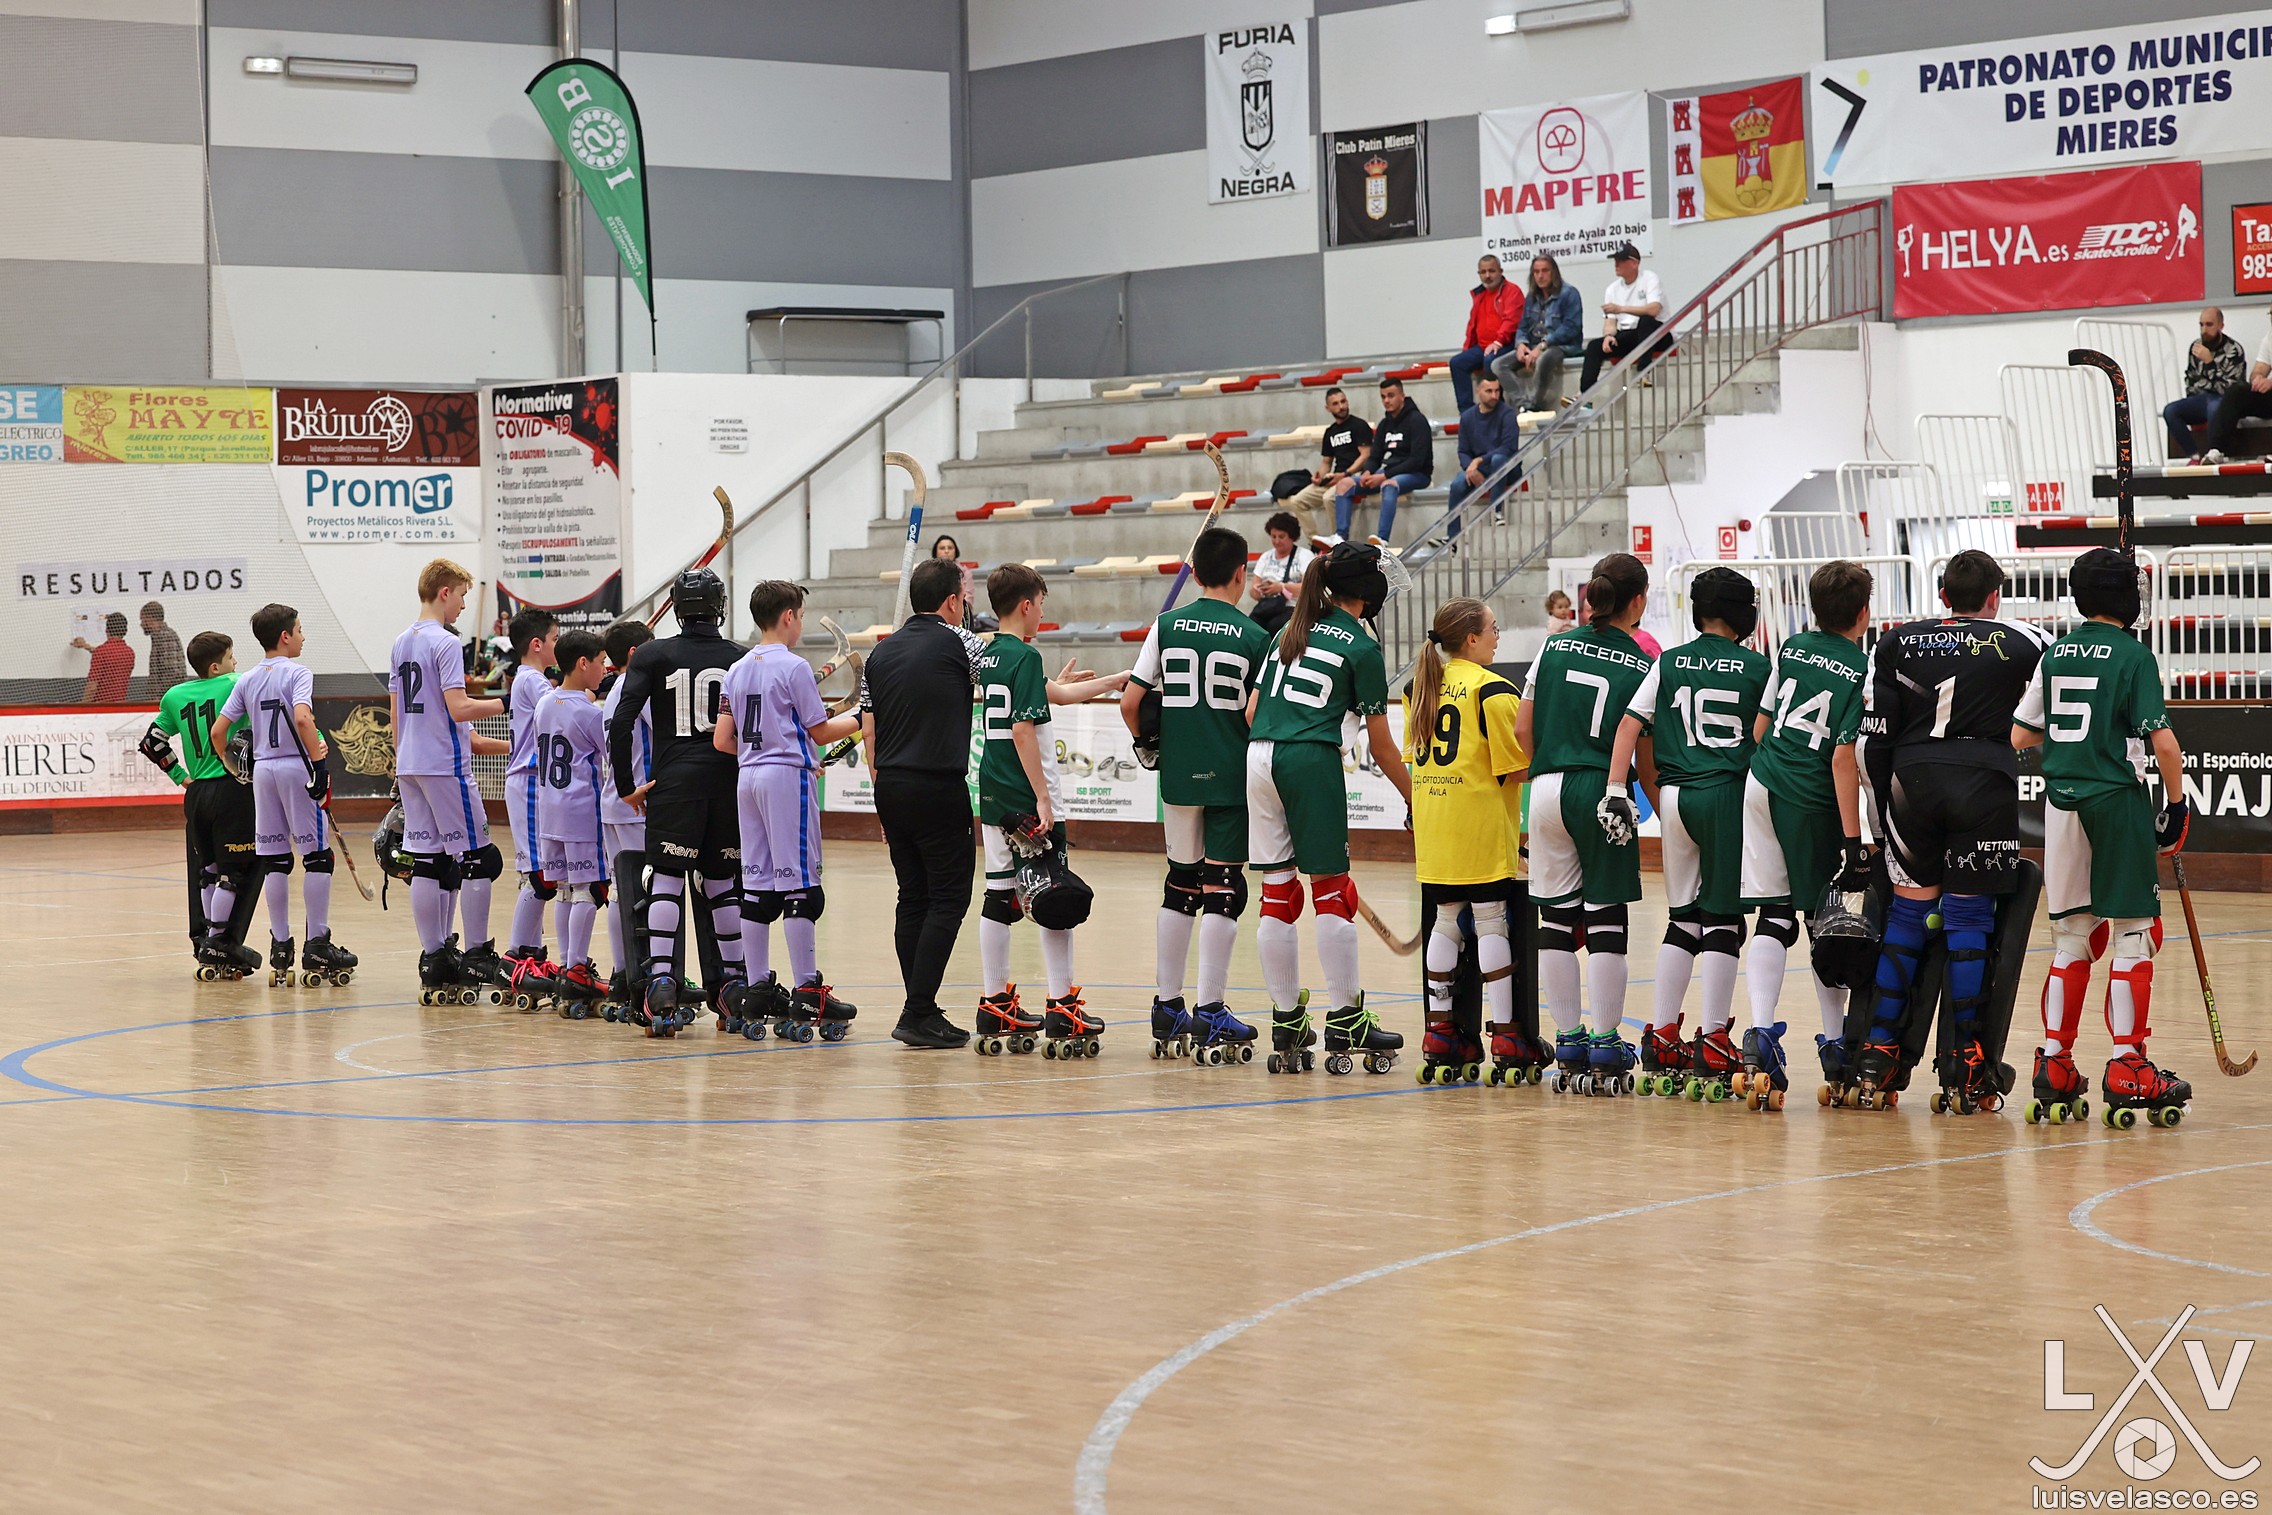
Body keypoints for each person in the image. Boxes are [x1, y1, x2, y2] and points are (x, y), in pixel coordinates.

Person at [1850, 549, 2050, 1108]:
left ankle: (1879, 1051)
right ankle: (1966, 1058)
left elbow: (1870, 743)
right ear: (1995, 597)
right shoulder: (2028, 640)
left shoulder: (1893, 642)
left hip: (1911, 783)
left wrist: (1881, 819)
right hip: (1984, 783)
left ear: (1943, 595)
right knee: (1969, 918)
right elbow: (2057, 710)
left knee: (1908, 915)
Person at [2011, 548, 2194, 1126]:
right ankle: (2127, 1064)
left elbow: (2020, 735)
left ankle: (2054, 1063)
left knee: (2073, 937)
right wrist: (2176, 806)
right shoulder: (2134, 656)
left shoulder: (2056, 653)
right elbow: (2165, 744)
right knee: (2135, 934)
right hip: (2115, 801)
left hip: (2060, 804)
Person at [1606, 568, 1770, 1102]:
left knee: (1682, 919)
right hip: (1725, 794)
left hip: (1674, 797)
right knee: (1723, 921)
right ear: (1743, 613)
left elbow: (1629, 725)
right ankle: (1716, 1037)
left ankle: (1660, 1034)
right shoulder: (1758, 667)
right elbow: (1764, 737)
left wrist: (1616, 788)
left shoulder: (1668, 660)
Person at [1248, 542, 1411, 1075]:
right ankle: (1345, 1019)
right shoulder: (1362, 648)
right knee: (1332, 892)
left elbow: (1252, 711)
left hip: (1259, 755)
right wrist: (1416, 799)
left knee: (1277, 892)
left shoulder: (1288, 630)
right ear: (1368, 590)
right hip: (1308, 758)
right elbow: (1382, 747)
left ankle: (1287, 1021)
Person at [1122, 527, 1269, 1061]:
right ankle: (1211, 1010)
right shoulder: (1257, 637)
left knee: (1180, 885)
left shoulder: (1165, 626)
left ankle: (1167, 1007)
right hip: (1230, 776)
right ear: (1240, 573)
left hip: (1180, 776)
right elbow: (1255, 713)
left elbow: (1130, 702)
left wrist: (1150, 746)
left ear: (1196, 573)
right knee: (1223, 888)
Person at [1514, 552, 1655, 1093]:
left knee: (1554, 921)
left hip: (1546, 786)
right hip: (1600, 789)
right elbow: (1645, 759)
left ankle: (1568, 1040)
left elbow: (1522, 727)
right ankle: (1605, 1041)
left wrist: (1546, 774)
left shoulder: (1552, 646)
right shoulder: (1642, 664)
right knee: (1606, 919)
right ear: (1637, 602)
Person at [974, 564, 1128, 1055]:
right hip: (1027, 797)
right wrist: (1042, 796)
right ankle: (1063, 1006)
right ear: (1026, 605)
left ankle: (994, 1002)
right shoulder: (1024, 656)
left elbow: (1055, 695)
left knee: (1000, 896)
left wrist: (1117, 679)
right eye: (1041, 604)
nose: (1043, 613)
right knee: (1054, 892)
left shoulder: (990, 654)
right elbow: (1023, 730)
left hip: (993, 795)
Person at [1737, 560, 1872, 1092]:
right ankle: (1836, 1047)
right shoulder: (1861, 669)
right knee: (1826, 923)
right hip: (1809, 798)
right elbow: (1842, 757)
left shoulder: (1791, 647)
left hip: (1761, 781)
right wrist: (1853, 841)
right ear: (1863, 613)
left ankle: (1759, 1035)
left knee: (1772, 916)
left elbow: (1760, 727)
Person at [714, 580, 862, 1039]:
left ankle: (757, 988)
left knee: (757, 885)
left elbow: (722, 740)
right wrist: (863, 718)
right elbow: (821, 732)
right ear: (789, 616)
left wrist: (769, 753)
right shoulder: (794, 666)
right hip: (784, 779)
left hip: (747, 778)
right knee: (801, 885)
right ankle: (807, 990)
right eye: (800, 615)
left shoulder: (736, 669)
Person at [608, 568, 751, 1037]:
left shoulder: (653, 654)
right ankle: (734, 985)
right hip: (727, 782)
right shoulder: (740, 656)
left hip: (674, 784)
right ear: (718, 607)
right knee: (722, 883)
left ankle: (661, 982)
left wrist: (627, 786)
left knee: (666, 879)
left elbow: (623, 722)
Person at [1406, 597, 1537, 1084]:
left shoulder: (1420, 686)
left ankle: (1440, 1031)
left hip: (1435, 825)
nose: (1498, 638)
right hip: (1478, 825)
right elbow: (1516, 767)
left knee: (1446, 922)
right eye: (1494, 629)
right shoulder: (1493, 690)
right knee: (1491, 921)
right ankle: (1506, 1033)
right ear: (1472, 638)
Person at [860, 556, 986, 1048]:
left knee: (912, 896)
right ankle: (917, 1011)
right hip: (937, 785)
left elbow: (869, 731)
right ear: (952, 601)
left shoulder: (880, 653)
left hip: (890, 785)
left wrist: (881, 791)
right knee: (949, 899)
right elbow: (1004, 674)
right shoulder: (962, 642)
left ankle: (922, 1008)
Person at [212, 603, 354, 987]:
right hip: (295, 768)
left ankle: (280, 945)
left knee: (275, 859)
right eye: (300, 630)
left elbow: (218, 732)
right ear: (285, 636)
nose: (303, 637)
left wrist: (234, 769)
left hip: (263, 771)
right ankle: (317, 944)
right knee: (317, 857)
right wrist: (319, 767)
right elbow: (304, 718)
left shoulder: (246, 679)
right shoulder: (298, 673)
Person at [389, 559, 509, 1002]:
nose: (462, 605)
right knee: (480, 857)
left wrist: (401, 765)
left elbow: (396, 710)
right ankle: (477, 954)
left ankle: (434, 957)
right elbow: (459, 708)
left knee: (426, 860)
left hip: (411, 762)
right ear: (444, 592)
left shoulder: (401, 641)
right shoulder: (444, 642)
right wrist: (507, 701)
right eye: (461, 595)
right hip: (444, 763)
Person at [138, 629, 260, 976]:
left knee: (207, 872)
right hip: (231, 789)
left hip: (196, 795)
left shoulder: (175, 696)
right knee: (233, 873)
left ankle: (207, 938)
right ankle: (218, 943)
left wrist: (181, 777)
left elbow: (152, 743)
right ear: (215, 666)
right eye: (231, 656)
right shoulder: (236, 683)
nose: (236, 662)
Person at [533, 630, 612, 1009]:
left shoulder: (544, 703)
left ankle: (567, 966)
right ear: (583, 663)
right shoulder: (590, 713)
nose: (604, 669)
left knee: (563, 888)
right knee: (589, 889)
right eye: (600, 662)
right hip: (580, 810)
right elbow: (611, 752)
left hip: (548, 810)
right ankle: (577, 968)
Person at [500, 608, 562, 1000]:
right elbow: (561, 710)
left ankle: (532, 954)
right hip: (527, 781)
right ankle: (515, 958)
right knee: (539, 875)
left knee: (542, 874)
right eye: (555, 639)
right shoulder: (531, 680)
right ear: (536, 644)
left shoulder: (531, 680)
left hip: (535, 783)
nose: (558, 645)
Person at [598, 619, 654, 1008]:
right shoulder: (638, 689)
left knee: (620, 892)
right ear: (636, 654)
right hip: (637, 802)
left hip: (612, 801)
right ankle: (645, 974)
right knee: (645, 892)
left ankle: (623, 973)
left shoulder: (613, 691)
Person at [1330, 376, 1432, 546]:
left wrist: (1384, 475)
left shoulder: (1417, 421)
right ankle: (1340, 536)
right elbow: (1375, 456)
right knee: (1344, 484)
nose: (1386, 401)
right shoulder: (1385, 424)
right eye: (1383, 397)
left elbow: (1417, 460)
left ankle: (1382, 538)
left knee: (1388, 485)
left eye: (1391, 396)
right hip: (1390, 471)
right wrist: (1367, 471)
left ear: (1402, 396)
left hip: (1417, 473)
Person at [1494, 254, 1584, 417]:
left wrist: (1543, 345)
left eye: (1545, 271)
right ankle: (1524, 405)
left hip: (1562, 345)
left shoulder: (1569, 293)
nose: (1540, 276)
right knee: (1498, 364)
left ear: (1554, 272)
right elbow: (1523, 326)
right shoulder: (1531, 297)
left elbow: (1571, 328)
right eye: (1536, 272)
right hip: (1534, 344)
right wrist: (1521, 344)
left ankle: (1535, 405)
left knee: (1544, 359)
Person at [1280, 388, 1374, 543]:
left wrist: (1345, 474)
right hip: (1335, 476)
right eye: (1335, 404)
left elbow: (1365, 455)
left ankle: (1338, 541)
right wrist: (1319, 476)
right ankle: (1315, 543)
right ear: (1328, 408)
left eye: (1343, 401)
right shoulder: (1330, 432)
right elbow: (1326, 462)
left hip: (1355, 475)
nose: (1341, 406)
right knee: (1297, 501)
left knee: (1329, 498)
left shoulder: (1359, 425)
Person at [1578, 242, 1666, 395]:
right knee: (1594, 346)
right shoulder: (1612, 289)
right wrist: (1608, 335)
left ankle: (1644, 372)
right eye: (1615, 260)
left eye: (1621, 260)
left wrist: (1621, 309)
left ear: (1635, 263)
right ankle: (1584, 395)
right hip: (1631, 336)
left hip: (1658, 335)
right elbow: (1610, 322)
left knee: (1646, 321)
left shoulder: (1649, 278)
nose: (1616, 264)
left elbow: (1654, 309)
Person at [1448, 253, 1524, 415]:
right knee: (1457, 363)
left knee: (1490, 359)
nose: (1487, 276)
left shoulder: (1512, 291)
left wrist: (1498, 341)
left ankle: (1497, 409)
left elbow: (1511, 320)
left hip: (1507, 344)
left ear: (1500, 271)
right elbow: (1472, 327)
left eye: (1491, 271)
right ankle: (1467, 413)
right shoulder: (1479, 295)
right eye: (1483, 272)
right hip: (1482, 347)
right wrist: (1467, 350)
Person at [1446, 373, 1521, 537]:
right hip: (1481, 467)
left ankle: (1496, 511)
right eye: (1489, 391)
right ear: (1478, 391)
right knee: (1457, 484)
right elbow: (1463, 450)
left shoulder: (1507, 414)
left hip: (1507, 467)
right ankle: (1452, 535)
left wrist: (1479, 461)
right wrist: (1470, 468)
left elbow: (1508, 448)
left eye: (1497, 391)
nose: (1494, 396)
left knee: (1498, 459)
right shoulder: (1467, 417)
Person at [2166, 307, 2245, 461]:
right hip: (2201, 399)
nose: (2204, 330)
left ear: (2221, 326)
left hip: (2226, 401)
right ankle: (2194, 455)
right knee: (2170, 410)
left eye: (2209, 325)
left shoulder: (2234, 350)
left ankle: (2213, 455)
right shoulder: (2196, 347)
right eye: (2201, 325)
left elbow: (2232, 389)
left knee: (2214, 406)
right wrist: (2206, 386)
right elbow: (2191, 381)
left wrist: (2210, 363)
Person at [2200, 310, 2272, 463]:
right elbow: (2259, 369)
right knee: (2237, 391)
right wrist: (2258, 378)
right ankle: (2216, 450)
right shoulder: (2269, 338)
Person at [1247, 511, 1313, 634]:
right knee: (1251, 627)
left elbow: (1309, 588)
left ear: (1292, 537)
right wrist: (1258, 590)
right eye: (1273, 537)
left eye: (1281, 537)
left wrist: (1281, 587)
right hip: (1267, 606)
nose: (1277, 541)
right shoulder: (1266, 557)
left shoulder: (1304, 555)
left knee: (1275, 626)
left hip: (1293, 608)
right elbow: (1253, 591)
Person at [74, 612, 134, 703]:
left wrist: (82, 706)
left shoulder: (100, 652)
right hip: (120, 706)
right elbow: (111, 655)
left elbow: (92, 687)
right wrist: (86, 646)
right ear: (125, 631)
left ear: (106, 629)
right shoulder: (129, 653)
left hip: (101, 706)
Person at [141, 601, 186, 698]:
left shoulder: (165, 636)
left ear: (150, 618)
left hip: (167, 697)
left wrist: (160, 696)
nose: (141, 624)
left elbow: (172, 671)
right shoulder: (159, 636)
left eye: (143, 620)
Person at [931, 533, 975, 612]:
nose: (946, 551)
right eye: (942, 548)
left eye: (950, 548)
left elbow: (968, 600)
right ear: (935, 551)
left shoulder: (965, 573)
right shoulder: (929, 573)